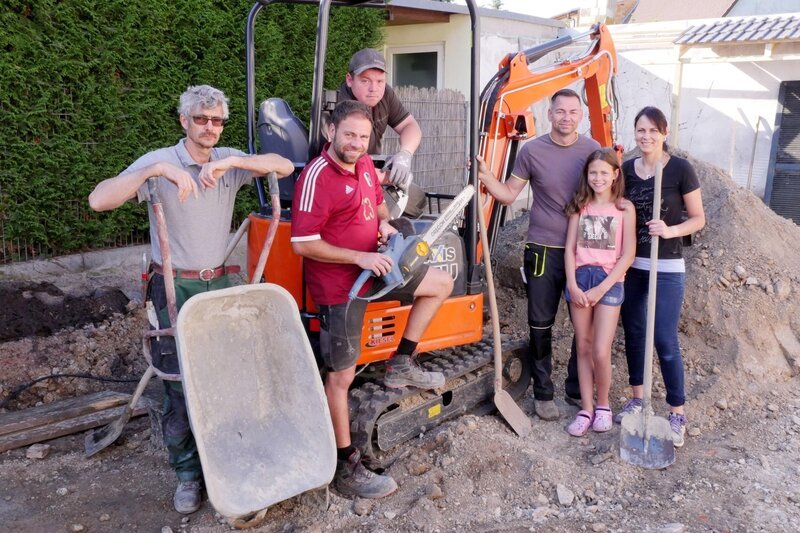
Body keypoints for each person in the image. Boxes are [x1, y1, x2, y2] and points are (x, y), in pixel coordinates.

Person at [88, 85, 294, 514]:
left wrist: (235, 162)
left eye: (217, 120)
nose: (209, 127)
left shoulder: (227, 160)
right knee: (179, 383)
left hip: (217, 286)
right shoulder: (160, 160)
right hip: (173, 286)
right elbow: (99, 200)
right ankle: (187, 475)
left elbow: (284, 165)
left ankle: (225, 460)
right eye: (201, 119)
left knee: (224, 377)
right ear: (184, 121)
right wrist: (156, 171)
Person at [291, 100, 453, 499]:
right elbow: (303, 243)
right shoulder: (316, 176)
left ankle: (402, 361)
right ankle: (346, 465)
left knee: (441, 283)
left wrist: (385, 227)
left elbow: (378, 207)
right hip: (340, 287)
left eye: (363, 137)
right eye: (349, 134)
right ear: (331, 131)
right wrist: (358, 257)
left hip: (377, 269)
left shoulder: (364, 164)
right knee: (341, 377)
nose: (356, 143)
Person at [476, 88, 599, 421]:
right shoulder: (532, 151)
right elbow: (508, 194)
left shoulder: (593, 151)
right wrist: (486, 177)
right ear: (550, 113)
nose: (566, 117)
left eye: (573, 112)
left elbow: (609, 197)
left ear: (581, 116)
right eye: (560, 111)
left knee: (583, 326)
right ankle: (544, 393)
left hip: (584, 252)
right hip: (543, 250)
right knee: (540, 324)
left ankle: (576, 388)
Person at [615, 106, 705, 448]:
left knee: (665, 339)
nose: (647, 136)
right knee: (635, 334)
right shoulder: (627, 171)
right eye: (641, 130)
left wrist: (669, 230)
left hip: (666, 267)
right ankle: (638, 399)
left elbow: (698, 218)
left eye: (653, 130)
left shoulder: (680, 169)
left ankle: (677, 412)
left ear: (664, 133)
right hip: (633, 265)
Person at [563, 149, 635, 436]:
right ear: (587, 175)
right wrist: (572, 284)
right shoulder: (580, 206)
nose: (598, 178)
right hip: (580, 279)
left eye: (604, 172)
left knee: (600, 350)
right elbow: (570, 249)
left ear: (615, 174)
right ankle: (586, 408)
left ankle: (603, 405)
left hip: (609, 281)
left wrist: (602, 288)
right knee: (583, 346)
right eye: (593, 172)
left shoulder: (624, 208)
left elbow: (628, 254)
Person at [336, 48, 428, 217]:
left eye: (380, 81)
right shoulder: (342, 108)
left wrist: (405, 154)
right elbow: (343, 166)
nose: (374, 88)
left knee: (417, 198)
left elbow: (410, 125)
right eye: (365, 81)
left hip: (371, 172)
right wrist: (388, 178)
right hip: (346, 184)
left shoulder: (385, 95)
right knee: (406, 203)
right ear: (349, 80)